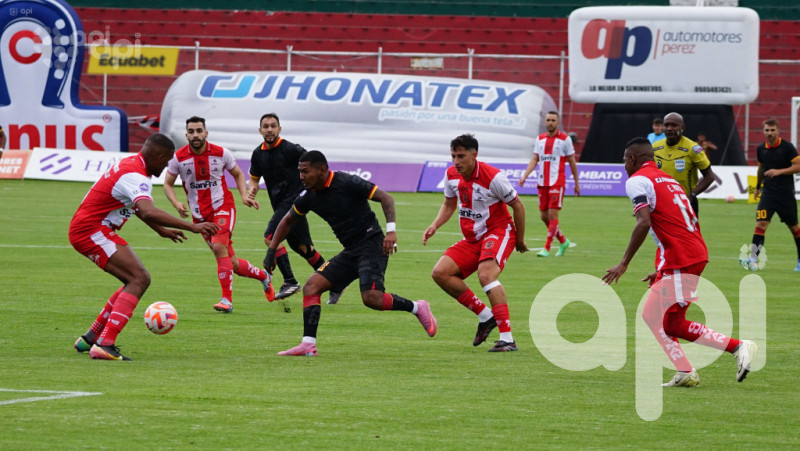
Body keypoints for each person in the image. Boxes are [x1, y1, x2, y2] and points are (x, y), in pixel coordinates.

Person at [602, 137, 757, 387]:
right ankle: (688, 370)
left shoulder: (637, 181)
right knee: (671, 322)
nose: (624, 165)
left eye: (624, 160)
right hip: (690, 253)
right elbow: (674, 222)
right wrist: (661, 269)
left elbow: (643, 222)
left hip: (682, 257)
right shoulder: (668, 179)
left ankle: (735, 348)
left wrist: (624, 263)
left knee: (654, 316)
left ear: (631, 159)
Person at [265, 150, 437, 356]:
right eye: (299, 171)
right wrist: (271, 251)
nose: (301, 176)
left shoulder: (347, 182)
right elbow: (287, 221)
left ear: (322, 170)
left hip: (372, 244)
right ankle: (308, 345)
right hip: (351, 251)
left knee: (371, 298)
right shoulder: (308, 196)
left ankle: (417, 307)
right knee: (312, 287)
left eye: (305, 171)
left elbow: (386, 198)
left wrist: (391, 231)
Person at [70, 134, 219, 361]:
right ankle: (105, 344)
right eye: (166, 160)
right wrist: (192, 226)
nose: (166, 166)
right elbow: (148, 210)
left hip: (90, 229)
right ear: (159, 156)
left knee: (132, 279)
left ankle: (90, 338)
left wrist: (161, 230)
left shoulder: (132, 164)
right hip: (91, 230)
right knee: (139, 278)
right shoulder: (134, 174)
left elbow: (137, 207)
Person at [424, 134, 528, 352]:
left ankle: (507, 339)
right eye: (453, 156)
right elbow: (449, 204)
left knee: (486, 275)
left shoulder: (493, 177)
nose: (456, 161)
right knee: (440, 273)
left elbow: (518, 205)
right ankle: (486, 316)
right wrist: (435, 225)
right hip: (472, 238)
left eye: (461, 156)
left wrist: (519, 239)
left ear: (474, 155)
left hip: (498, 231)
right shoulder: (451, 175)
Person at [163, 116, 274, 313]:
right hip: (200, 216)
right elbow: (167, 184)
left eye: (199, 131)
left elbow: (237, 173)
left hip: (222, 206)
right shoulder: (178, 159)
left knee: (218, 246)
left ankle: (226, 301)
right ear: (186, 135)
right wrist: (176, 203)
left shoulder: (221, 153)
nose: (195, 135)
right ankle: (263, 276)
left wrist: (243, 195)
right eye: (191, 131)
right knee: (232, 263)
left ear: (206, 133)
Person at [248, 113, 343, 304]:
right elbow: (254, 178)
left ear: (279, 129)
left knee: (270, 237)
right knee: (304, 249)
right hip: (282, 205)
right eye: (266, 126)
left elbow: (314, 164)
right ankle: (336, 283)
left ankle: (290, 281)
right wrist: (252, 191)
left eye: (273, 126)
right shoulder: (258, 154)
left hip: (295, 200)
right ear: (260, 130)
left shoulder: (291, 149)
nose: (269, 130)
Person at [518, 110, 579, 257]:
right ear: (545, 122)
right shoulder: (539, 139)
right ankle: (563, 241)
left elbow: (571, 161)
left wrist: (576, 182)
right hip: (542, 181)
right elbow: (535, 159)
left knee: (552, 214)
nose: (550, 123)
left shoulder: (565, 139)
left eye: (553, 120)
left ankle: (547, 248)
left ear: (558, 123)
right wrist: (525, 175)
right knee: (544, 216)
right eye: (548, 120)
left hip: (557, 181)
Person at [742, 118, 800, 271]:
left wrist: (779, 171)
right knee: (761, 224)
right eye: (767, 130)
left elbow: (798, 165)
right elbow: (761, 168)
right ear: (763, 131)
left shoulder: (787, 147)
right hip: (767, 194)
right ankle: (753, 259)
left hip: (785, 195)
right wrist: (757, 187)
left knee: (794, 228)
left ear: (778, 131)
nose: (770, 133)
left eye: (772, 130)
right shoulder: (761, 149)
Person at [652, 112, 716, 217]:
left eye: (674, 125)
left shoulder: (692, 148)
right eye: (666, 125)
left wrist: (691, 196)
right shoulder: (655, 147)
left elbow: (709, 176)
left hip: (685, 203)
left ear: (683, 127)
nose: (669, 128)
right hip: (661, 203)